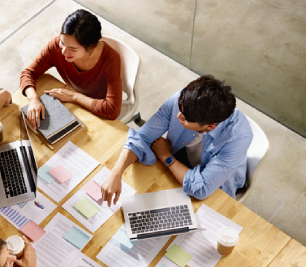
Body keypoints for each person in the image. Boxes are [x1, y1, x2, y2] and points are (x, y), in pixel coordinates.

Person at [102, 75, 253, 204]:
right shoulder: (183, 101)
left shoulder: (237, 138)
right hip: (181, 162)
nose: (178, 116)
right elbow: (141, 138)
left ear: (210, 126)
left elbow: (201, 189)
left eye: (185, 118)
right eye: (180, 110)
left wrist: (165, 156)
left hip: (216, 185)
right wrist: (117, 172)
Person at [20, 9, 122, 128]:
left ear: (92, 47)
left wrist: (74, 96)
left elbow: (112, 110)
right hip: (72, 102)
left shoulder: (110, 59)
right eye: (62, 43)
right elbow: (28, 73)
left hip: (95, 107)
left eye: (73, 49)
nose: (63, 51)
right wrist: (33, 99)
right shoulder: (55, 46)